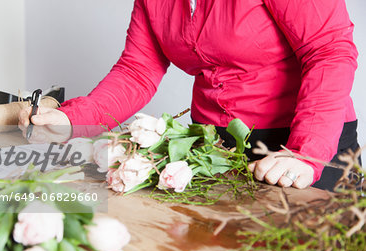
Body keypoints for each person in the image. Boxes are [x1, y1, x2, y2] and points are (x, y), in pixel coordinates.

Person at [19, 0, 360, 191]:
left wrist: (305, 154)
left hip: (306, 142)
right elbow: (137, 71)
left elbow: (329, 51)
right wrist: (71, 118)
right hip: (217, 149)